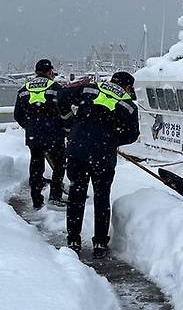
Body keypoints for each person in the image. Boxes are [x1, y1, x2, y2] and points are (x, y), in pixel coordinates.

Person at [59, 71, 139, 258]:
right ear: (127, 87)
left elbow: (62, 96)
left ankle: (73, 240)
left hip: (77, 149)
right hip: (103, 155)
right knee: (102, 199)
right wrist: (112, 139)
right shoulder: (128, 105)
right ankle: (100, 244)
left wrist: (71, 122)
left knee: (76, 195)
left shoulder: (90, 88)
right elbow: (132, 135)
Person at [14, 59, 68, 209]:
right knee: (59, 165)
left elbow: (18, 115)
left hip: (34, 136)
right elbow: (65, 111)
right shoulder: (56, 88)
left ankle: (36, 199)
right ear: (49, 71)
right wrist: (66, 128)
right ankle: (55, 196)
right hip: (54, 134)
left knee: (36, 165)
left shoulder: (23, 90)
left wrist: (30, 126)